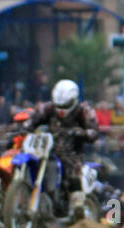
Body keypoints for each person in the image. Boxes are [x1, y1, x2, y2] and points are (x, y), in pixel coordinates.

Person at [25, 79, 99, 219]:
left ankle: (77, 203)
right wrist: (25, 127)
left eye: (65, 104)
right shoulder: (48, 108)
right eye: (59, 103)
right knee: (32, 162)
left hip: (71, 151)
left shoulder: (84, 110)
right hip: (48, 149)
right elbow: (34, 119)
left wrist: (82, 133)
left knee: (73, 168)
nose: (61, 107)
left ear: (74, 99)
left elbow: (94, 130)